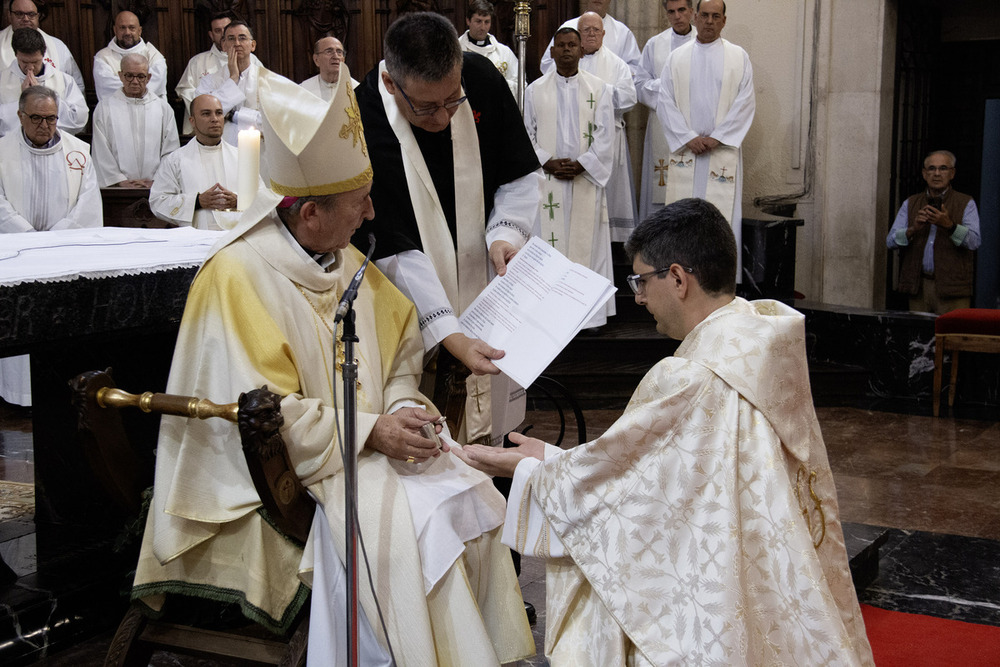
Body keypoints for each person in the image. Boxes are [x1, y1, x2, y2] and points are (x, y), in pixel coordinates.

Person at [131, 70, 535, 665]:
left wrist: (400, 409)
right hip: (276, 474)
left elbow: (398, 354)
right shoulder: (238, 279)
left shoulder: (344, 260)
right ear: (310, 213)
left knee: (471, 493)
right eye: (359, 202)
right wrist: (372, 430)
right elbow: (259, 413)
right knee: (414, 530)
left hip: (360, 448)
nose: (372, 214)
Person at [456, 198, 876, 666]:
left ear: (677, 278)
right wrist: (555, 459)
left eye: (641, 280)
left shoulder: (689, 378)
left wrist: (534, 470)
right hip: (769, 573)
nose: (637, 297)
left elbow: (629, 501)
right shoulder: (760, 341)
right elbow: (655, 478)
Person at [354, 12, 541, 445]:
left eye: (452, 100)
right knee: (429, 442)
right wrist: (449, 333)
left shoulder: (480, 77)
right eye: (426, 106)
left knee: (494, 435)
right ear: (390, 84)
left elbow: (518, 173)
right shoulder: (363, 118)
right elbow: (390, 243)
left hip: (488, 289)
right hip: (407, 303)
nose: (442, 117)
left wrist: (505, 235)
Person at [0, 86, 102, 409]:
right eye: (36, 118)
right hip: (16, 255)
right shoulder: (1, 152)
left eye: (51, 118)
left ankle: (62, 391)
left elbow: (87, 205)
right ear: (20, 116)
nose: (45, 125)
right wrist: (30, 237)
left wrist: (53, 239)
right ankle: (19, 397)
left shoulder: (79, 152)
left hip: (63, 255)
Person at [523, 27, 615, 327]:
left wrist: (584, 164)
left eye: (572, 45)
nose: (566, 50)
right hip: (549, 182)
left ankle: (590, 318)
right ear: (551, 52)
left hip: (585, 180)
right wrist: (547, 162)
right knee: (550, 248)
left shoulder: (600, 89)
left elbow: (606, 134)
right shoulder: (534, 90)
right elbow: (526, 135)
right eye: (560, 45)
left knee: (588, 248)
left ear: (581, 50)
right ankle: (550, 318)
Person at [657, 0, 754, 279]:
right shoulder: (677, 58)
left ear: (724, 21)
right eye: (705, 15)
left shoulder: (739, 57)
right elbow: (665, 101)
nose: (710, 21)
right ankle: (680, 281)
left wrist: (718, 138)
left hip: (719, 153)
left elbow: (745, 103)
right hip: (687, 153)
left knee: (718, 220)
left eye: (716, 16)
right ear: (695, 18)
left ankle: (717, 284)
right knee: (682, 223)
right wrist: (688, 137)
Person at [886, 150, 981, 314]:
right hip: (919, 287)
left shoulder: (966, 202)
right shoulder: (911, 202)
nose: (937, 174)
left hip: (953, 290)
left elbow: (974, 242)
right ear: (924, 174)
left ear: (952, 173)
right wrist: (913, 229)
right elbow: (890, 241)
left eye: (943, 168)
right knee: (919, 338)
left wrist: (949, 225)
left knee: (951, 337)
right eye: (931, 168)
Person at [577, 11, 637, 240]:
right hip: (578, 137)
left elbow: (630, 98)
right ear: (579, 34)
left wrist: (600, 91)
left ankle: (612, 242)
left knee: (610, 195)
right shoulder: (569, 60)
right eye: (586, 30)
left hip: (609, 136)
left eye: (595, 30)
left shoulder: (617, 64)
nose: (591, 34)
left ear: (603, 34)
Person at [636, 0, 696, 222]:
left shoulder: (704, 42)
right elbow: (640, 86)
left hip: (693, 126)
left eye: (682, 10)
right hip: (662, 125)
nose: (677, 16)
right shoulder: (654, 44)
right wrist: (669, 86)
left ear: (691, 11)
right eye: (671, 12)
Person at [149, 94, 244, 230]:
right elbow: (157, 201)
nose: (214, 119)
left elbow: (262, 197)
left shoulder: (241, 157)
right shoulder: (176, 160)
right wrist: (196, 202)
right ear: (192, 121)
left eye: (219, 113)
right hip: (194, 240)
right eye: (206, 114)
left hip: (235, 238)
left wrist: (238, 200)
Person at [91, 53, 179, 188]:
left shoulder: (163, 108)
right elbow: (101, 150)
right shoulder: (105, 108)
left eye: (140, 76)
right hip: (119, 190)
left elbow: (171, 150)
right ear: (120, 76)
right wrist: (119, 181)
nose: (135, 81)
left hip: (156, 188)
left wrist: (157, 181)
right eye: (129, 75)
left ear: (149, 78)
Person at [0, 26, 87, 136]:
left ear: (43, 54)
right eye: (24, 62)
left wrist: (45, 98)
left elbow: (79, 120)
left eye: (35, 62)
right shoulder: (2, 80)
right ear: (16, 54)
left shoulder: (64, 80)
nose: (30, 67)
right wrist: (24, 101)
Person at [196, 20, 266, 146]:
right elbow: (205, 116)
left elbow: (270, 122)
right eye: (231, 38)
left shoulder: (267, 80)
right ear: (223, 45)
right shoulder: (208, 82)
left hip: (259, 150)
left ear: (253, 45)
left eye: (242, 38)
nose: (237, 43)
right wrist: (233, 79)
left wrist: (235, 116)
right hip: (223, 148)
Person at [175, 11, 239, 135]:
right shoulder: (197, 62)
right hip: (206, 126)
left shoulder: (251, 61)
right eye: (217, 31)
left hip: (238, 125)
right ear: (211, 35)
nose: (222, 35)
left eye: (226, 30)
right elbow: (185, 90)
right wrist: (207, 113)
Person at [0, 0, 84, 93]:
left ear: (38, 16)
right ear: (9, 15)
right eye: (19, 14)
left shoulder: (58, 46)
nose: (26, 19)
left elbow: (76, 86)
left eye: (31, 14)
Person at [539, 0, 640, 75]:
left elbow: (636, 69)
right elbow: (547, 64)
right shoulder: (568, 27)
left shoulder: (622, 32)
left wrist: (609, 73)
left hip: (607, 96)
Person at [93, 10, 167, 101]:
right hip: (117, 111)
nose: (127, 32)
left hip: (149, 111)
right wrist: (139, 85)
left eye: (132, 28)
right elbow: (107, 88)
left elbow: (154, 87)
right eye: (122, 28)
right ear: (115, 30)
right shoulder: (103, 58)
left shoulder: (154, 56)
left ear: (139, 31)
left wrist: (125, 83)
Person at [458, 1, 518, 98]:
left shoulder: (504, 52)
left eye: (487, 22)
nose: (483, 27)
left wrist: (497, 83)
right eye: (478, 21)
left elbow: (520, 85)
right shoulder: (456, 50)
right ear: (468, 21)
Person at [300, 35, 358, 101]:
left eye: (339, 52)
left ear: (343, 60)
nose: (336, 56)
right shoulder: (303, 90)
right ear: (316, 60)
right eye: (329, 51)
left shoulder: (356, 89)